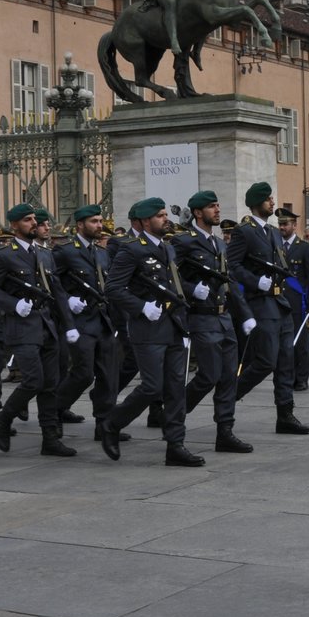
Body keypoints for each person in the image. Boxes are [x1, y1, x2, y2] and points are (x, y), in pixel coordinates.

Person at [101, 198, 203, 466]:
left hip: (173, 326)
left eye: (164, 214)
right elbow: (113, 288)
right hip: (147, 328)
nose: (164, 219)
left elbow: (173, 285)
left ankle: (175, 445)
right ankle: (112, 423)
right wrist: (141, 307)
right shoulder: (131, 250)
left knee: (175, 389)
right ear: (146, 222)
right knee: (151, 387)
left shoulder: (168, 249)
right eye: (159, 216)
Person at [0, 204, 75, 457]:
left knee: (50, 386)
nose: (33, 223)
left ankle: (50, 439)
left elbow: (58, 293)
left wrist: (69, 326)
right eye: (27, 220)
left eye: (34, 219)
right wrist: (14, 305)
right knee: (33, 380)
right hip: (22, 327)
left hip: (47, 326)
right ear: (14, 226)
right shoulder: (3, 255)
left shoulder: (44, 253)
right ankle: (3, 418)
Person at [171, 190, 256, 453]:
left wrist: (245, 315)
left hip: (223, 318)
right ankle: (173, 416)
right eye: (211, 207)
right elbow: (168, 275)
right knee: (208, 375)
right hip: (201, 317)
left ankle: (225, 431)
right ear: (198, 213)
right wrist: (189, 288)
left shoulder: (220, 245)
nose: (217, 210)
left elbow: (228, 283)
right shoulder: (183, 241)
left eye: (218, 205)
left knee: (229, 377)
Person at [228, 182, 309, 435]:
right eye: (268, 199)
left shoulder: (274, 232)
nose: (272, 202)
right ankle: (228, 396)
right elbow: (232, 266)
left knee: (286, 362)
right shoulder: (244, 231)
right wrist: (256, 281)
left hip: (280, 303)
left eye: (272, 198)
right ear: (256, 203)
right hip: (261, 304)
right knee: (265, 361)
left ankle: (285, 415)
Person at [52, 204, 124, 443]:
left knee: (108, 376)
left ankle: (104, 425)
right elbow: (51, 284)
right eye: (94, 221)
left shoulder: (102, 253)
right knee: (83, 374)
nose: (100, 225)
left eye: (100, 221)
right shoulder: (64, 251)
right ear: (80, 224)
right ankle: (53, 410)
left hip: (103, 321)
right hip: (80, 322)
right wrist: (68, 300)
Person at [278, 208, 309, 390]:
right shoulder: (275, 247)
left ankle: (302, 377)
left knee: (300, 341)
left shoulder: (304, 248)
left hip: (298, 301)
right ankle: (286, 375)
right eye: (280, 224)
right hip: (279, 300)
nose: (282, 227)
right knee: (283, 342)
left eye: (285, 224)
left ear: (294, 226)